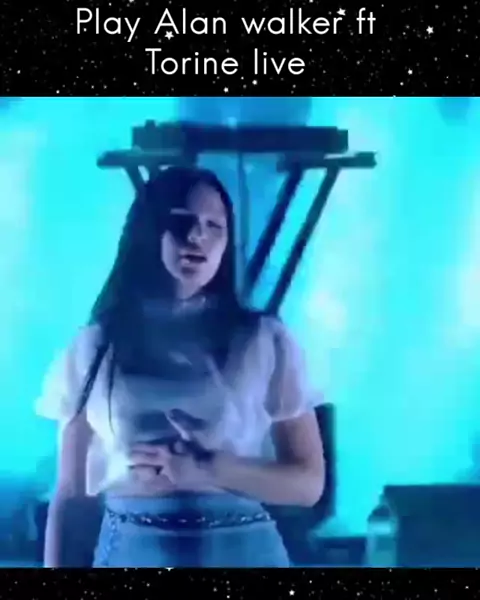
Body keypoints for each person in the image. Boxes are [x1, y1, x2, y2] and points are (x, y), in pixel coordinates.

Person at [36, 166, 325, 568]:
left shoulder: (264, 339)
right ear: (148, 229)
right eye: (181, 221)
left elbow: (309, 483)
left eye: (214, 226)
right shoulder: (96, 346)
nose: (196, 237)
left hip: (244, 551)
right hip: (133, 549)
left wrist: (213, 469)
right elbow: (71, 496)